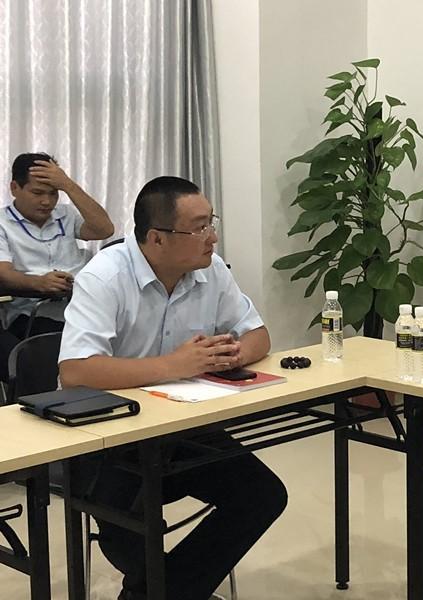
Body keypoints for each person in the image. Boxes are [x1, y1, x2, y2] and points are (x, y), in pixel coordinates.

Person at [59, 176, 287, 600]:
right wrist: (172, 366)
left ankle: (156, 594)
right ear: (156, 238)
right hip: (108, 437)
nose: (212, 237)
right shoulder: (104, 278)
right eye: (199, 228)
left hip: (181, 427)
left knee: (263, 495)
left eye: (211, 223)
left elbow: (258, 335)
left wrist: (229, 355)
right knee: (126, 527)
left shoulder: (211, 270)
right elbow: (75, 371)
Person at [0, 152, 114, 339]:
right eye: (37, 193)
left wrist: (68, 185)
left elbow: (104, 230)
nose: (47, 202)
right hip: (32, 315)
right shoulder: (2, 223)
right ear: (14, 188)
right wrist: (39, 283)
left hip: (83, 308)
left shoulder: (66, 214)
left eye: (53, 193)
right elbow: (4, 274)